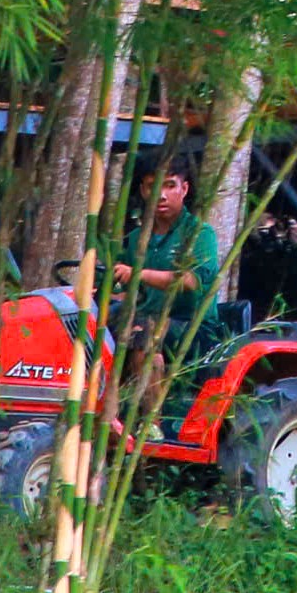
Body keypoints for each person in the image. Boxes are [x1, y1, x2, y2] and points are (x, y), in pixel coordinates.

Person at [110, 152, 223, 424]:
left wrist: (139, 273)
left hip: (193, 329)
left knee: (141, 331)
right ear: (143, 190)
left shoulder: (199, 233)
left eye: (169, 185)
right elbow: (130, 290)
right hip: (148, 324)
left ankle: (153, 425)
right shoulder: (137, 238)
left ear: (184, 189)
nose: (161, 195)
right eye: (152, 186)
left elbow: (191, 280)